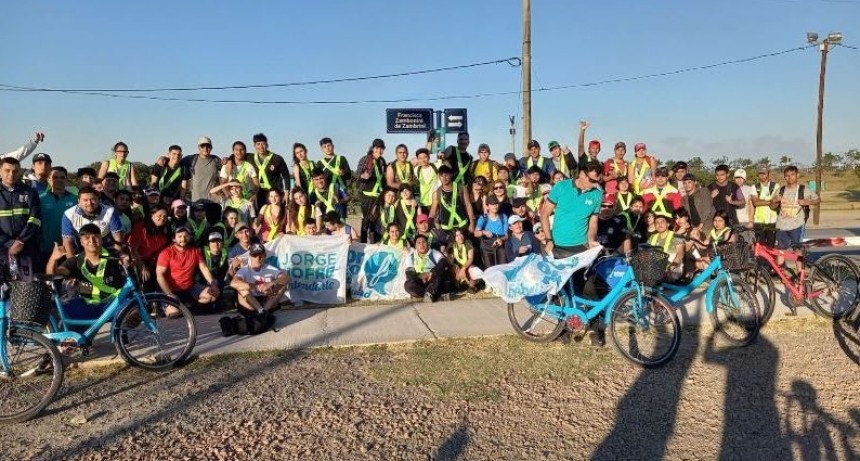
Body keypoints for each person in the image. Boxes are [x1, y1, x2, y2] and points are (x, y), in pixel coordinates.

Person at [46, 224, 128, 320]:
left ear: (101, 239)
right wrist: (53, 259)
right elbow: (52, 274)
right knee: (63, 314)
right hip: (86, 306)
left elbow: (129, 260)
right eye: (87, 238)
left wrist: (129, 260)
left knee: (132, 308)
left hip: (112, 305)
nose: (91, 241)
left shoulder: (115, 257)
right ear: (81, 242)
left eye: (95, 237)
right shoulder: (75, 261)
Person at [541, 161, 603, 258]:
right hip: (557, 245)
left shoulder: (597, 195)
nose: (595, 185)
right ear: (582, 174)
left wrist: (591, 240)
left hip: (581, 246)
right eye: (593, 181)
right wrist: (549, 240)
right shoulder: (561, 187)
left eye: (598, 181)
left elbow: (593, 222)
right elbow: (544, 214)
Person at [156, 226, 221, 310]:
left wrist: (213, 284)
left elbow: (204, 268)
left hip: (189, 288)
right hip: (171, 290)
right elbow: (159, 275)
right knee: (173, 313)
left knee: (213, 296)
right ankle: (184, 307)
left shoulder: (195, 251)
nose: (183, 239)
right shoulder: (166, 253)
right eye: (179, 236)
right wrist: (169, 294)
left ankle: (188, 307)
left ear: (190, 237)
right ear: (173, 239)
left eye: (186, 236)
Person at [0, 157, 42, 280]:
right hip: (2, 247)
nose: (11, 174)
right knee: (3, 289)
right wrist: (9, 243)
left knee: (26, 287)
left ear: (19, 172)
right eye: (7, 170)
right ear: (0, 171)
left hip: (26, 247)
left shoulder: (30, 192)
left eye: (15, 171)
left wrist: (21, 241)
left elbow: (35, 219)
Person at [773, 165, 819, 268]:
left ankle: (800, 276)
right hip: (781, 226)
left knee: (798, 251)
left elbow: (817, 200)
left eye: (792, 175)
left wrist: (808, 201)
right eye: (787, 176)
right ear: (784, 177)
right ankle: (780, 276)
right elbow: (772, 205)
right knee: (780, 252)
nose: (790, 177)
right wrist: (774, 201)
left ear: (797, 175)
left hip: (797, 225)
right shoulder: (780, 190)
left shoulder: (803, 189)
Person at [61, 186, 124, 257]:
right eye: (85, 200)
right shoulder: (68, 214)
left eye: (93, 199)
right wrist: (71, 261)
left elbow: (118, 238)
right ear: (78, 201)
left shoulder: (110, 211)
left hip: (105, 251)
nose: (89, 203)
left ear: (99, 200)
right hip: (80, 252)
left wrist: (116, 257)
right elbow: (67, 241)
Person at [230, 243, 289, 315]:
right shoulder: (244, 270)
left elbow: (286, 277)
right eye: (255, 255)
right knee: (241, 287)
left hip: (265, 299)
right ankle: (260, 311)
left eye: (261, 255)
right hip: (250, 300)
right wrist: (256, 287)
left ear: (265, 256)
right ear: (250, 256)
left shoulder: (270, 268)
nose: (258, 258)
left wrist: (271, 284)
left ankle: (264, 311)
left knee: (282, 285)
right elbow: (233, 283)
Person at [39, 166, 78, 268]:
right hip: (45, 249)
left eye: (62, 177)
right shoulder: (40, 199)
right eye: (55, 177)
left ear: (66, 180)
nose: (59, 180)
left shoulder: (76, 200)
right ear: (48, 180)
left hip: (69, 250)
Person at [127, 204, 171, 283]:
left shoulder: (163, 231)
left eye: (165, 216)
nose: (162, 218)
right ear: (152, 215)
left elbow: (158, 252)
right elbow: (132, 248)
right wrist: (142, 267)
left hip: (150, 263)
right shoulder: (141, 227)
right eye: (159, 215)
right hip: (134, 262)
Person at [429, 165, 475, 236]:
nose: (444, 178)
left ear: (451, 175)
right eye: (441, 176)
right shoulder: (436, 193)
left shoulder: (461, 188)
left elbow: (468, 205)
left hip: (462, 226)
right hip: (446, 228)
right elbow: (433, 210)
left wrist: (472, 223)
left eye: (446, 175)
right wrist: (429, 223)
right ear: (438, 177)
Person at [356, 139, 387, 243]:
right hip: (366, 197)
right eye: (377, 148)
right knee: (365, 224)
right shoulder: (365, 159)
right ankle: (364, 247)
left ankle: (375, 246)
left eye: (381, 148)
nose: (379, 150)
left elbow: (384, 178)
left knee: (377, 223)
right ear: (373, 148)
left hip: (379, 197)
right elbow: (356, 175)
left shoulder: (382, 161)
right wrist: (363, 176)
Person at [404, 234, 450, 303]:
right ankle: (433, 296)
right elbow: (409, 271)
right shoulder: (412, 254)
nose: (421, 245)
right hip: (420, 281)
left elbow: (443, 261)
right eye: (419, 243)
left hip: (432, 279)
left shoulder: (433, 252)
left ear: (428, 244)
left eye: (424, 242)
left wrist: (431, 272)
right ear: (415, 246)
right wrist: (419, 276)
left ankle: (429, 294)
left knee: (439, 273)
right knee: (407, 284)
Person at [250, 133, 290, 209]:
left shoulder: (277, 158)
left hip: (274, 193)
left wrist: (287, 192)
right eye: (258, 144)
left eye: (263, 144)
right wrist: (227, 160)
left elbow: (286, 176)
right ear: (254, 146)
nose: (261, 147)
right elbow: (237, 156)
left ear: (267, 145)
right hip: (258, 192)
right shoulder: (250, 157)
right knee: (261, 214)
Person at [183, 136, 222, 203]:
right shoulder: (190, 159)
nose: (205, 148)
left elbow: (226, 173)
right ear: (198, 147)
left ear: (211, 148)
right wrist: (163, 159)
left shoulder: (216, 160)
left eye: (208, 146)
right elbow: (175, 162)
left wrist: (228, 160)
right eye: (202, 146)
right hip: (196, 201)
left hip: (213, 202)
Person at [647, 214, 685, 282]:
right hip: (655, 268)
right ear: (655, 226)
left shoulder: (676, 236)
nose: (659, 224)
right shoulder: (652, 237)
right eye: (657, 223)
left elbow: (680, 254)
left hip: (673, 269)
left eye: (662, 222)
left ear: (668, 224)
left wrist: (671, 267)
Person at [474, 195, 508, 268]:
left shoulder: (503, 217)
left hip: (500, 245)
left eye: (496, 204)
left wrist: (501, 239)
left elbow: (507, 235)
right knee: (490, 270)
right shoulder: (483, 218)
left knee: (503, 268)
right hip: (487, 247)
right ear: (487, 206)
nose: (495, 206)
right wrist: (484, 232)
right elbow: (476, 233)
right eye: (492, 204)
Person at [749, 164, 780, 243]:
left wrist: (761, 201)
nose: (762, 175)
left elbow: (776, 203)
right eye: (760, 173)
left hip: (772, 221)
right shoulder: (754, 187)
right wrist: (770, 201)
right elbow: (756, 203)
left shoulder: (776, 186)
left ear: (768, 173)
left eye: (764, 173)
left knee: (771, 247)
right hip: (759, 222)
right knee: (760, 248)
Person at [448, 228, 479, 293]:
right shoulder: (452, 245)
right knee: (453, 269)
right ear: (454, 238)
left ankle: (472, 286)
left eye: (461, 234)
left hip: (468, 265)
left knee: (472, 269)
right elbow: (450, 259)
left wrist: (463, 268)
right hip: (458, 266)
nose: (460, 237)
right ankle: (458, 286)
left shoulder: (468, 243)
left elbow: (470, 258)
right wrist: (456, 267)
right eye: (457, 236)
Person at [414, 148, 438, 212]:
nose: (423, 160)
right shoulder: (416, 170)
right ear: (417, 159)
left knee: (435, 222)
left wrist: (443, 158)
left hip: (435, 202)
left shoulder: (436, 166)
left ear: (429, 157)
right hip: (422, 204)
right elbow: (415, 187)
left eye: (425, 157)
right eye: (420, 158)